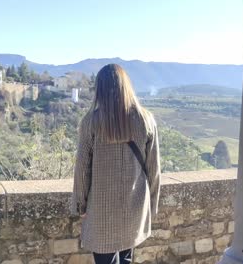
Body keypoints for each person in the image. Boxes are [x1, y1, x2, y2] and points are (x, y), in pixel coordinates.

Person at [71, 64, 161, 264]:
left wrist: (80, 205)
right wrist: (152, 206)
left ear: (100, 89)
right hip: (135, 205)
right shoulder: (146, 120)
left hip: (101, 210)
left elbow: (82, 170)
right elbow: (154, 170)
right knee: (126, 259)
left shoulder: (91, 122)